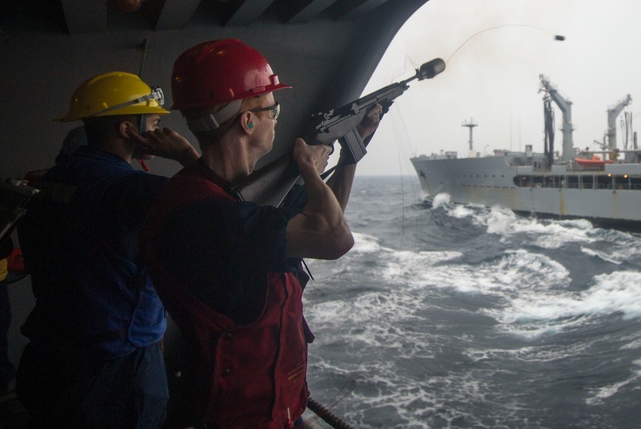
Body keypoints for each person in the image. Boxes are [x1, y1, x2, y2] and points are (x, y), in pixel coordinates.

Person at [140, 39, 381, 429]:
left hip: (272, 408)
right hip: (236, 416)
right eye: (273, 109)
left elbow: (326, 216)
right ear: (247, 121)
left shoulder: (230, 200)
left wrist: (353, 148)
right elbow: (335, 239)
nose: (277, 119)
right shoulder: (211, 217)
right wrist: (307, 168)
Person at [16, 71, 200, 429]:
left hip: (50, 355)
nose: (160, 122)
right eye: (152, 117)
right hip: (116, 370)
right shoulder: (134, 190)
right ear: (128, 129)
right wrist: (188, 157)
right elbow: (221, 208)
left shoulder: (51, 179)